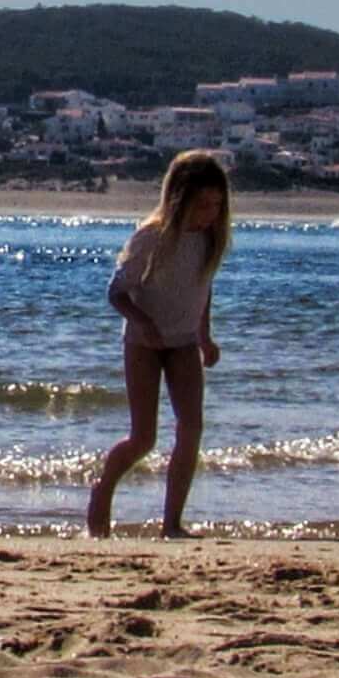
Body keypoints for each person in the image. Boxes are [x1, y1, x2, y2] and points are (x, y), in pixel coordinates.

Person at [88, 147, 230, 537]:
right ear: (178, 199)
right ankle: (101, 492)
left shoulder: (208, 240)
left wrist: (205, 336)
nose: (209, 214)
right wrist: (143, 321)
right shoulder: (150, 238)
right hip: (142, 344)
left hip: (183, 341)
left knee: (191, 427)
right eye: (202, 205)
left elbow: (202, 289)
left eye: (217, 205)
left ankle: (172, 524)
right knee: (144, 438)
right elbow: (116, 292)